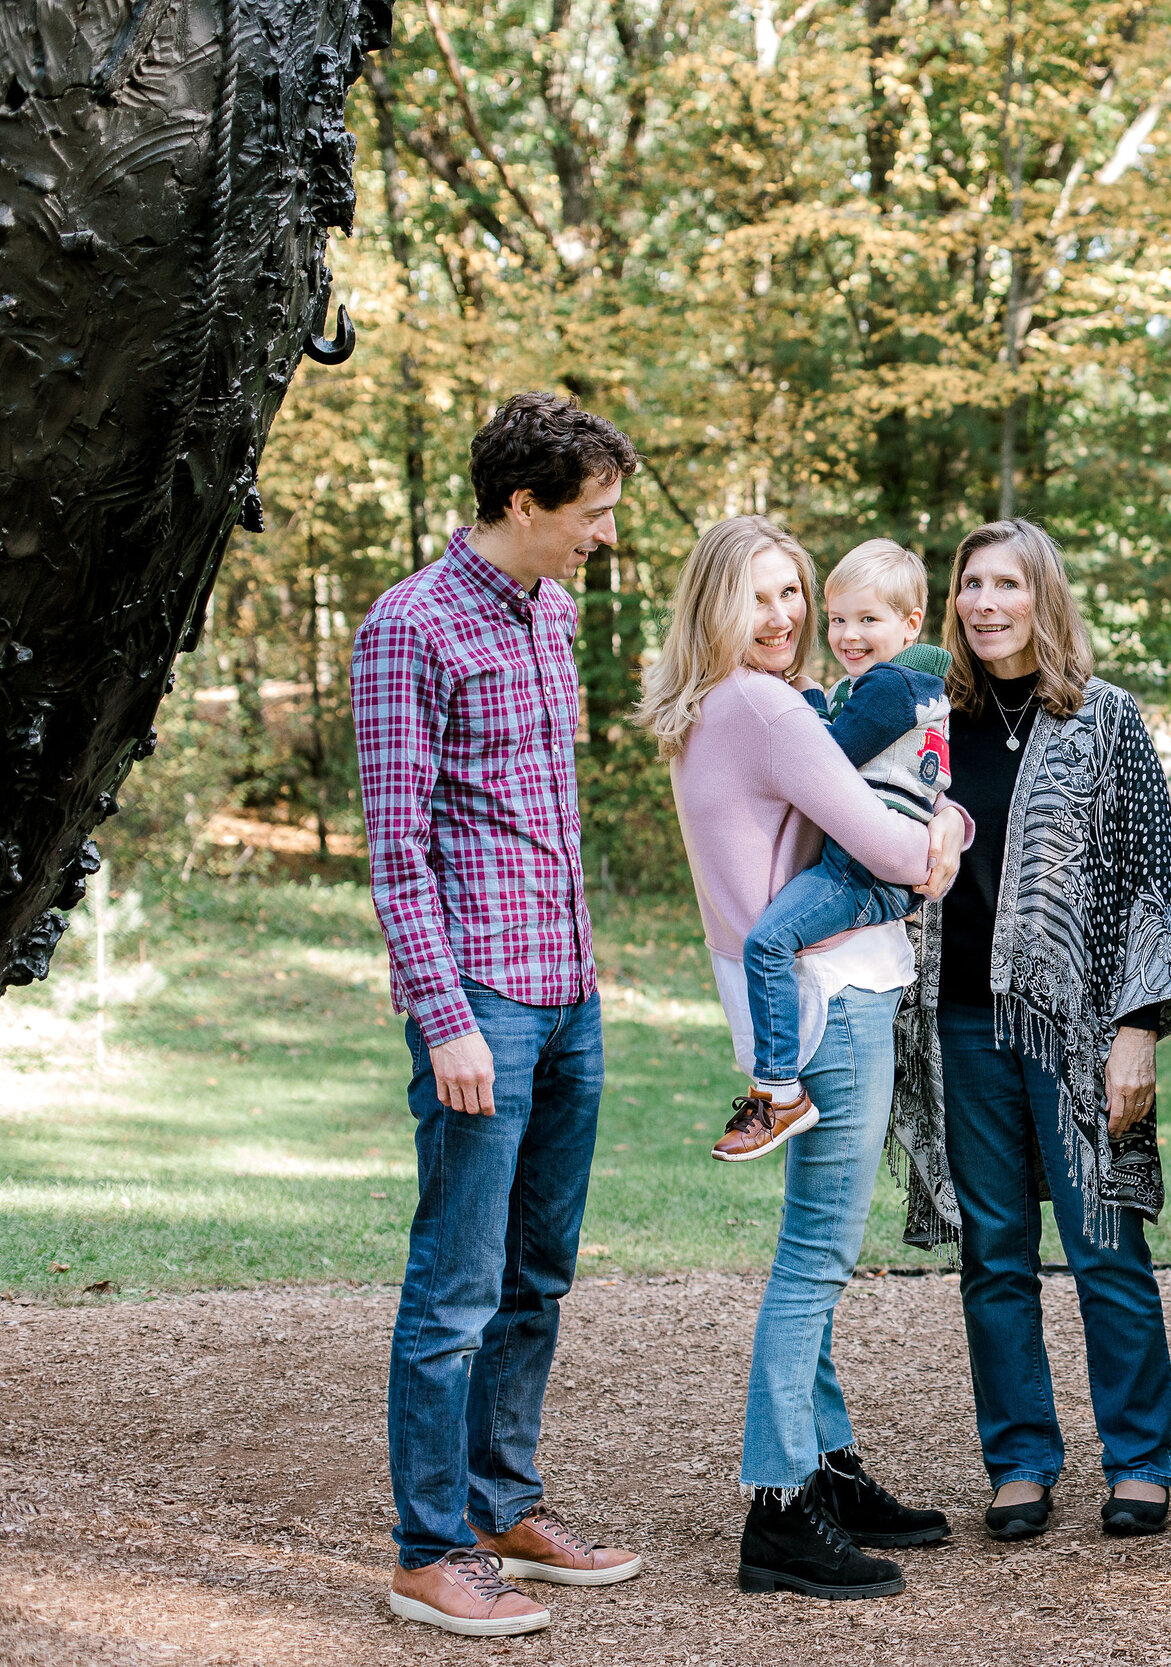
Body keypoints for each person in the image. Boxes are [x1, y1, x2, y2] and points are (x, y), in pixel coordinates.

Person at [352, 391, 646, 1638]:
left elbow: (542, 816)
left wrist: (588, 973)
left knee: (538, 1273)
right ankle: (429, 1547)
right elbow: (397, 848)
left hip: (567, 993)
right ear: (522, 503)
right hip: (478, 1001)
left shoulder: (555, 611)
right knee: (456, 1283)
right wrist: (444, 1016)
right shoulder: (407, 628)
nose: (604, 535)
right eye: (592, 513)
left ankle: (502, 1504)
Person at [633, 515, 970, 1600]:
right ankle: (779, 1504)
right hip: (833, 990)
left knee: (809, 1240)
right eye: (761, 597)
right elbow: (884, 844)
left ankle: (826, 1464)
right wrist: (947, 839)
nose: (784, 618)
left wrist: (933, 825)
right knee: (818, 1252)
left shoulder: (711, 706)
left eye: (794, 594)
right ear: (715, 607)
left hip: (791, 994)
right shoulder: (770, 707)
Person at [902, 517, 1171, 1541]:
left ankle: (1140, 1457)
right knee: (995, 1253)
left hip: (1076, 1028)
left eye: (1006, 584)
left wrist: (1138, 1028)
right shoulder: (931, 724)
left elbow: (1152, 883)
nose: (984, 603)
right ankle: (1019, 1457)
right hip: (961, 1024)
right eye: (971, 584)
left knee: (1105, 1241)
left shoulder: (1105, 719)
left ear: (1043, 596)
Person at [732, 538, 954, 1152]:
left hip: (864, 871)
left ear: (910, 625)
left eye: (868, 619)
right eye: (837, 620)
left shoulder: (887, 687)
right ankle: (777, 1085)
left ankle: (778, 1091)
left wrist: (801, 699)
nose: (848, 634)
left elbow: (825, 759)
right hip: (868, 864)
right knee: (775, 940)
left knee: (769, 941)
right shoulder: (907, 686)